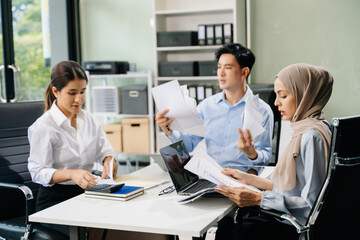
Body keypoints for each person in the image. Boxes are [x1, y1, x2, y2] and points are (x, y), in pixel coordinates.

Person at [214, 63, 334, 240]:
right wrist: (249, 179)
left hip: (291, 228)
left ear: (304, 95)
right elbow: (293, 187)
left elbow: (311, 206)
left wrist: (258, 199)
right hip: (287, 221)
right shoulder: (311, 126)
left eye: (283, 96)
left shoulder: (311, 136)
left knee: (226, 226)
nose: (276, 102)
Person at [156, 43, 274, 173]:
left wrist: (252, 153)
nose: (221, 73)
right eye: (219, 67)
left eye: (228, 68)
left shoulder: (262, 110)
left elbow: (266, 156)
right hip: (213, 176)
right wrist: (170, 131)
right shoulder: (207, 106)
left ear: (244, 72)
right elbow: (189, 145)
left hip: (245, 178)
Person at [28, 60, 118, 213]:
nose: (78, 99)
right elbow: (37, 172)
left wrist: (109, 162)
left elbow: (105, 152)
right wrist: (71, 174)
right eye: (72, 93)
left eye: (82, 92)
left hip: (88, 193)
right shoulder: (43, 126)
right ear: (56, 92)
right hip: (55, 200)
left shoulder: (88, 118)